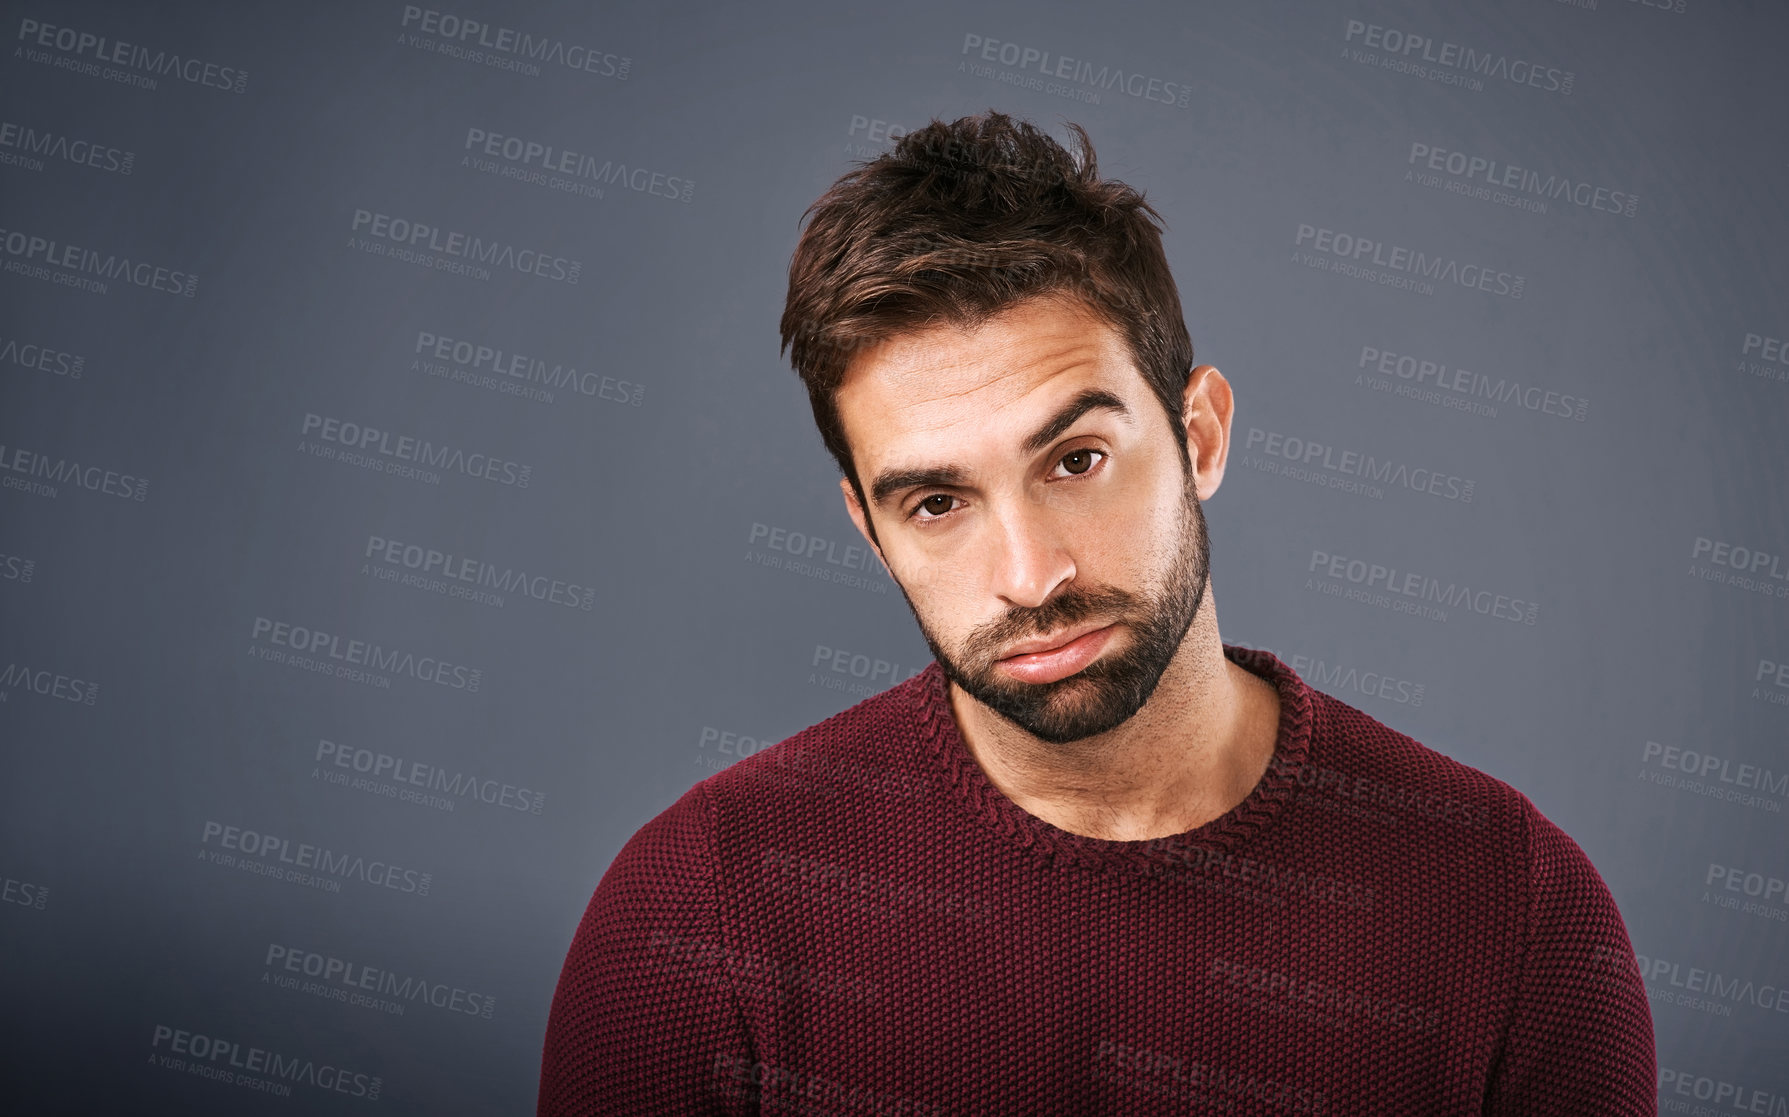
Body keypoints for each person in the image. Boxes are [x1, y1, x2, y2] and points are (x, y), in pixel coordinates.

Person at [538, 111, 1655, 1116]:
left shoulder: (1514, 908)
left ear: (1199, 436)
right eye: (936, 502)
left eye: (1076, 459)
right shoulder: (692, 919)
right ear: (869, 530)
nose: (1029, 575)